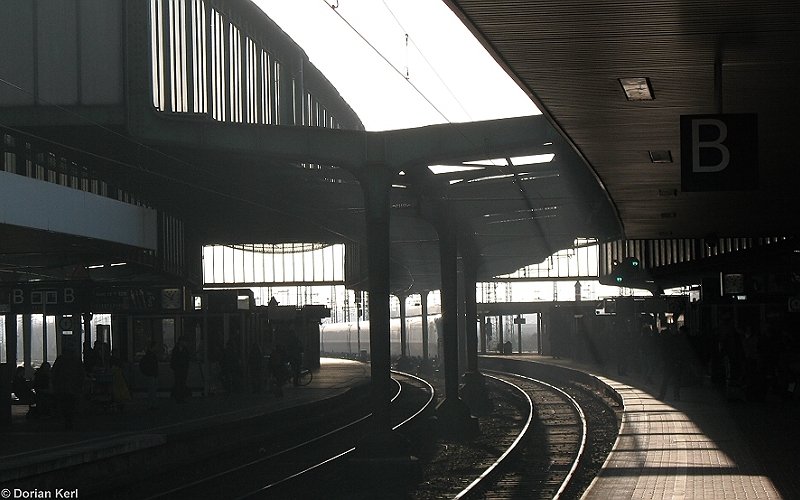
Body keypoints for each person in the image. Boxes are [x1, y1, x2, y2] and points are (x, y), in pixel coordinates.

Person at [51, 348, 86, 430]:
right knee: (72, 404)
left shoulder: (60, 360)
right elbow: (81, 373)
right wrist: (80, 385)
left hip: (62, 388)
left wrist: (55, 385)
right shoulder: (76, 360)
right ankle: (70, 421)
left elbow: (54, 373)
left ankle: (66, 420)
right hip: (73, 387)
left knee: (64, 405)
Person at [658, 326, 688, 401]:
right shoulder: (678, 339)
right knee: (675, 380)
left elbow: (665, 351)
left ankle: (662, 395)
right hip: (675, 362)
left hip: (671, 362)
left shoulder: (669, 340)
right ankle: (675, 396)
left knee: (667, 380)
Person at [170, 337, 191, 402]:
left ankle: (180, 397)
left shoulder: (179, 349)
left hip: (181, 369)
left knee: (181, 383)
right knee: (179, 383)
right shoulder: (181, 350)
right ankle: (179, 397)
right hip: (179, 369)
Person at [140, 342, 159, 409]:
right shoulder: (152, 355)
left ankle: (151, 404)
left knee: (151, 390)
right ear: (152, 347)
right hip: (153, 374)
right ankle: (152, 404)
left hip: (151, 374)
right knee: (152, 390)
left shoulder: (148, 355)